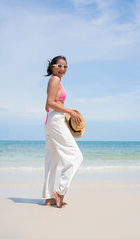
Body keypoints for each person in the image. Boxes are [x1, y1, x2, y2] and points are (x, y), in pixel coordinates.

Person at [42, 55, 84, 208]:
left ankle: (48, 198)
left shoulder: (53, 80)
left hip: (50, 121)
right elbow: (50, 103)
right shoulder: (55, 80)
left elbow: (47, 107)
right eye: (59, 66)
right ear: (53, 66)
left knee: (51, 162)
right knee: (76, 157)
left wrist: (66, 109)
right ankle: (60, 192)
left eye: (65, 67)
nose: (62, 69)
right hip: (55, 122)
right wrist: (69, 112)